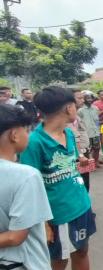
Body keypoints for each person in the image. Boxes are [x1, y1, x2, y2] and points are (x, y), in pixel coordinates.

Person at [19, 86, 95, 270]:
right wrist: (43, 224)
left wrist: (82, 160)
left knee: (82, 250)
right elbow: (30, 187)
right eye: (75, 105)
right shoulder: (34, 142)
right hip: (59, 214)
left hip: (81, 205)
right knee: (60, 260)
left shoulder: (68, 133)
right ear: (68, 108)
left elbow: (73, 159)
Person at [0, 104, 53, 270]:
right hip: (23, 263)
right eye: (26, 130)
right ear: (14, 135)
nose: (29, 134)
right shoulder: (26, 175)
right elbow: (15, 237)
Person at [67, 90, 91, 192]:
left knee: (85, 179)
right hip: (77, 154)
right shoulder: (68, 118)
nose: (83, 100)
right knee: (79, 180)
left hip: (84, 151)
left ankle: (85, 201)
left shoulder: (77, 116)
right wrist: (80, 155)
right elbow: (73, 136)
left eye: (83, 98)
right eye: (79, 98)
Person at [78, 93, 102, 168]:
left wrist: (98, 129)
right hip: (86, 133)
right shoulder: (80, 110)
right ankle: (88, 165)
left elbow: (97, 120)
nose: (89, 100)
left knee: (97, 148)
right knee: (86, 150)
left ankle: (96, 163)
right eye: (87, 98)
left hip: (95, 132)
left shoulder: (96, 108)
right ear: (84, 100)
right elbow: (79, 122)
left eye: (90, 98)